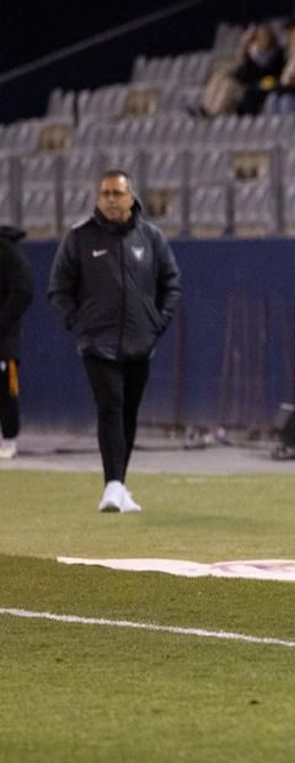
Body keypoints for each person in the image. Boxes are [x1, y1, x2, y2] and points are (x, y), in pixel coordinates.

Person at [46, 172, 182, 512]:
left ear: (131, 197)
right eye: (105, 193)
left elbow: (172, 284)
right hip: (97, 343)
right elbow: (59, 289)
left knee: (129, 413)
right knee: (110, 407)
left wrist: (156, 324)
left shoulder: (150, 237)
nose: (110, 199)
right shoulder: (79, 238)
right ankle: (112, 485)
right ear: (97, 197)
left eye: (117, 193)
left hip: (140, 342)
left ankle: (120, 485)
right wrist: (80, 325)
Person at [0, 223, 33, 459]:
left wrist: (2, 320)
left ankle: (8, 438)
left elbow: (23, 289)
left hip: (3, 336)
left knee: (4, 386)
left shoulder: (6, 249)